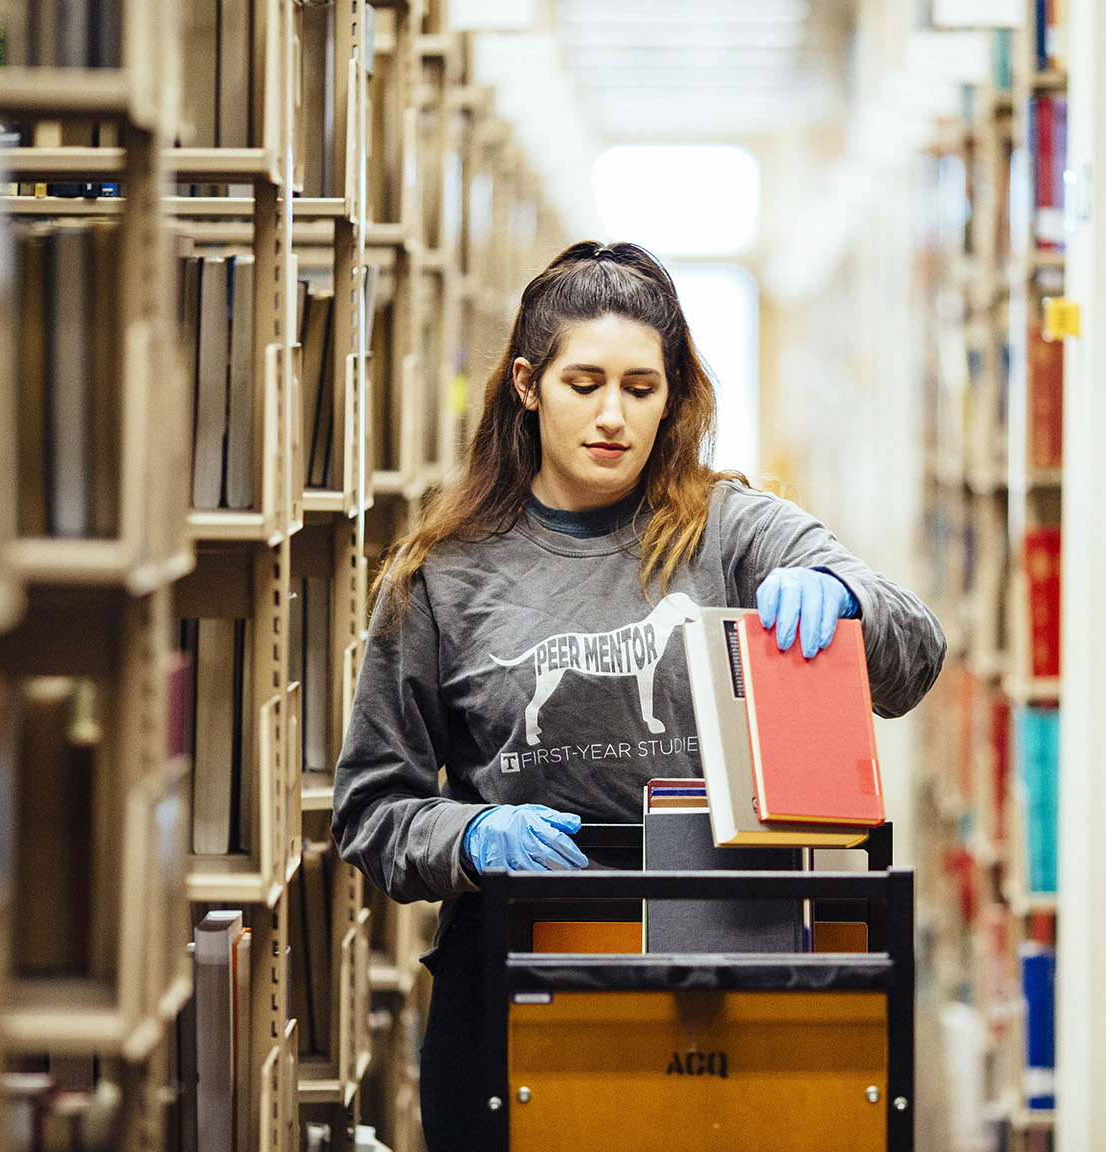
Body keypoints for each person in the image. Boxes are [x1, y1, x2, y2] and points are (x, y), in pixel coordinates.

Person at [330, 240, 945, 1149]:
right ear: (528, 384)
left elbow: (916, 654)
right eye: (585, 383)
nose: (614, 414)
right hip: (519, 974)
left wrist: (848, 598)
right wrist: (469, 833)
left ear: (673, 396)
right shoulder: (440, 576)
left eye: (641, 387)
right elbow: (370, 810)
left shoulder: (736, 531)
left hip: (729, 964)